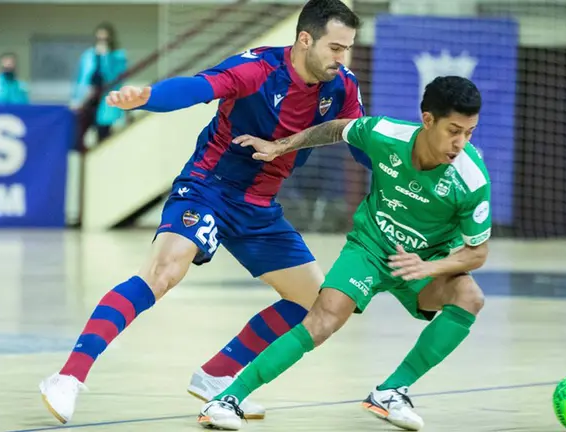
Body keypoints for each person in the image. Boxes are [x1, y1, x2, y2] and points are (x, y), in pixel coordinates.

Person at [39, 0, 368, 424]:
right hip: (208, 189)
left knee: (317, 303)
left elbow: (360, 140)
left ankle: (217, 375)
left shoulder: (342, 87)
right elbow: (198, 88)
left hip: (259, 207)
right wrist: (148, 97)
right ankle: (68, 376)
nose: (343, 58)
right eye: (336, 48)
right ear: (306, 39)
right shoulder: (258, 69)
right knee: (163, 273)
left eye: (347, 48)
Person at [197, 76, 491, 431]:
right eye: (454, 131)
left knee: (469, 297)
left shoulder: (471, 179)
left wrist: (431, 267)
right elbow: (337, 128)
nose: (461, 143)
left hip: (423, 263)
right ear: (428, 120)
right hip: (369, 247)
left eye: (469, 133)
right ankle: (227, 398)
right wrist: (281, 146)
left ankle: (391, 391)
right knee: (323, 320)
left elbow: (477, 252)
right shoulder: (385, 134)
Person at [71, 22, 128, 144]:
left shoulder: (118, 56)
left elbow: (114, 77)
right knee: (79, 135)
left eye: (105, 39)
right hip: (88, 99)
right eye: (99, 39)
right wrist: (76, 98)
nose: (101, 42)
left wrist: (105, 56)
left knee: (104, 136)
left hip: (106, 100)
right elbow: (80, 78)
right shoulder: (88, 55)